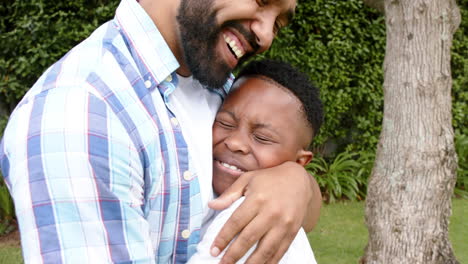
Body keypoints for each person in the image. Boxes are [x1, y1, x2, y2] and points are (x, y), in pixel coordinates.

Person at [0, 0, 322, 263]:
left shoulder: (220, 86)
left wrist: (297, 183)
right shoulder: (82, 114)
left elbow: (301, 213)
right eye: (262, 1)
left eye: (278, 24)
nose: (266, 36)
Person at [187, 59, 323, 264]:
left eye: (262, 138)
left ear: (300, 161)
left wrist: (298, 179)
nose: (234, 143)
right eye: (224, 123)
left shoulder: (256, 216)